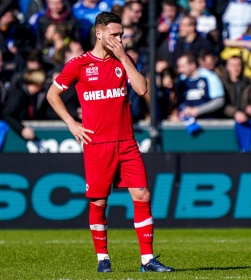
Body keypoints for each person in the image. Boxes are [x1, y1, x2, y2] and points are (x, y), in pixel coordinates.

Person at [46, 12, 174, 273]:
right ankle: (103, 259)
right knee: (99, 202)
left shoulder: (122, 61)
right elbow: (53, 94)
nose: (118, 39)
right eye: (114, 34)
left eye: (121, 35)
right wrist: (72, 124)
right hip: (97, 144)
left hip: (127, 141)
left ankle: (147, 260)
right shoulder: (79, 65)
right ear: (99, 33)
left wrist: (124, 57)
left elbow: (141, 89)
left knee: (143, 194)